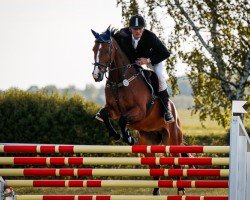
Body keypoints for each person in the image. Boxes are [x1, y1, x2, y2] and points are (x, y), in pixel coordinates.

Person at [112, 14, 174, 122]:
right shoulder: (122, 34)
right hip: (134, 62)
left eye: (140, 28)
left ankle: (166, 109)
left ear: (143, 28)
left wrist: (148, 60)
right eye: (135, 29)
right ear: (130, 28)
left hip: (152, 60)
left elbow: (165, 53)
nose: (138, 31)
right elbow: (111, 39)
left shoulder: (151, 37)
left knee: (160, 77)